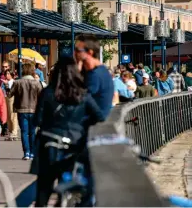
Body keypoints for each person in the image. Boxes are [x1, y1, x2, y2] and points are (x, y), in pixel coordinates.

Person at [32, 57, 106, 207]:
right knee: (69, 184)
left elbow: (37, 120)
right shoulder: (82, 93)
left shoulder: (48, 93)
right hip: (74, 144)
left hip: (49, 143)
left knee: (44, 187)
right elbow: (99, 116)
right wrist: (81, 125)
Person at [74, 35, 114, 207]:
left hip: (90, 129)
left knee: (87, 174)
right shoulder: (102, 71)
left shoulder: (94, 75)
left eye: (78, 50)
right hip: (96, 128)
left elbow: (82, 97)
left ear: (89, 52)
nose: (74, 53)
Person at [6, 63, 43, 160]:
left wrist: (7, 87)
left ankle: (26, 152)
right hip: (34, 110)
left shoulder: (18, 82)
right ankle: (32, 153)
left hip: (21, 109)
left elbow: (9, 95)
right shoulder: (37, 83)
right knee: (32, 132)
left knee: (24, 132)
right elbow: (41, 97)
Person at [1, 70, 18, 141]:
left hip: (12, 98)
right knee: (8, 116)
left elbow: (12, 91)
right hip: (6, 98)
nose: (7, 75)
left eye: (8, 73)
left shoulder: (14, 82)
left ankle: (14, 132)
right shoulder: (4, 82)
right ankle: (10, 131)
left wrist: (7, 84)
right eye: (6, 74)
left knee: (12, 115)